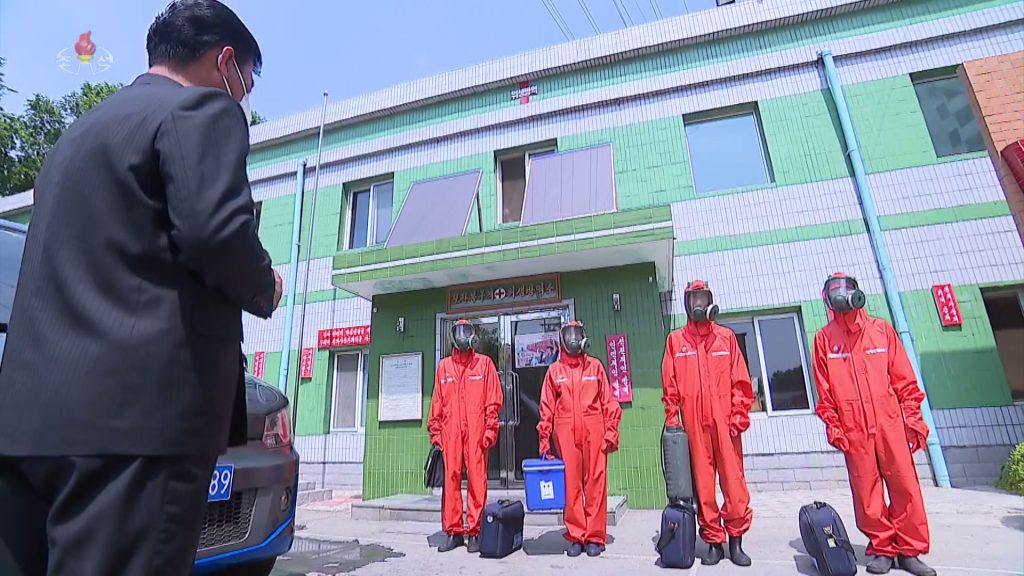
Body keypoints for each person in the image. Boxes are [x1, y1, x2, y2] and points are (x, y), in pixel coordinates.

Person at [0, 1, 282, 575]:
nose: (243, 99)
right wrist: (264, 285)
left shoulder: (75, 139)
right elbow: (214, 231)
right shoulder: (201, 110)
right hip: (136, 433)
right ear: (225, 61)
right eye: (246, 83)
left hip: (28, 430)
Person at [812, 273, 936, 576]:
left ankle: (909, 551)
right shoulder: (824, 340)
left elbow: (905, 381)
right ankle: (882, 547)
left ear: (857, 292)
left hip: (890, 423)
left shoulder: (881, 331)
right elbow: (824, 391)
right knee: (866, 490)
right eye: (835, 291)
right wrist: (835, 426)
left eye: (847, 289)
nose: (842, 295)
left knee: (905, 485)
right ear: (827, 299)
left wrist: (912, 420)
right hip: (855, 428)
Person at [661, 280, 754, 567]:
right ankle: (713, 541)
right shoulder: (676, 341)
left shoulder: (726, 338)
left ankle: (736, 541)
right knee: (703, 486)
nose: (699, 304)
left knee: (734, 483)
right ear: (687, 303)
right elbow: (670, 385)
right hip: (693, 427)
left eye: (704, 298)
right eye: (694, 299)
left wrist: (739, 414)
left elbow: (741, 381)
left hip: (726, 425)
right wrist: (673, 419)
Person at [538, 321, 622, 558]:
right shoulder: (555, 371)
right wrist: (544, 440)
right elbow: (546, 408)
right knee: (571, 487)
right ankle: (577, 535)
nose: (574, 340)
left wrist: (610, 432)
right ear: (562, 340)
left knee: (595, 484)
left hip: (594, 431)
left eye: (578, 335)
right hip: (565, 434)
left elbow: (609, 403)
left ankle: (595, 536)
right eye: (569, 335)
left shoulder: (595, 367)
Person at [427, 320, 503, 553]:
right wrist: (436, 432)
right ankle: (454, 531)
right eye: (460, 332)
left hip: (476, 431)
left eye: (467, 332)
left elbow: (493, 399)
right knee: (450, 481)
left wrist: (491, 429)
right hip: (450, 433)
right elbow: (437, 403)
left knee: (477, 481)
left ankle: (476, 531)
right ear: (452, 336)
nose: (464, 336)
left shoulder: (484, 364)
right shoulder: (444, 367)